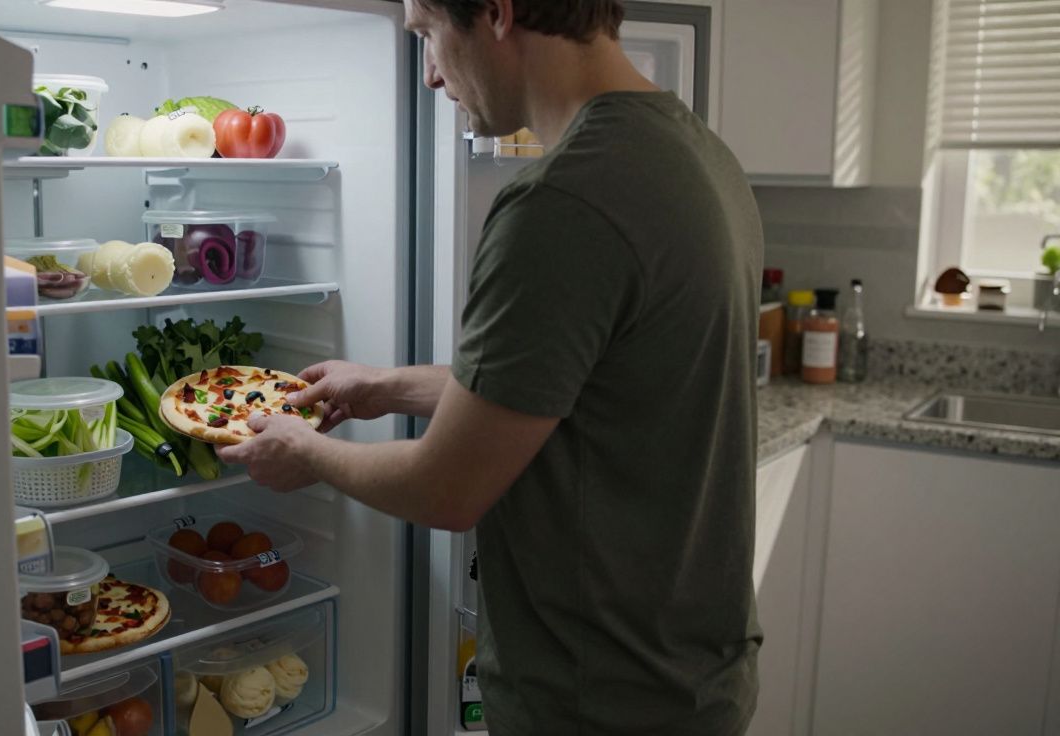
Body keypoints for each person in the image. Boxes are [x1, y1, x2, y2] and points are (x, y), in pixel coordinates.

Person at [215, 0, 765, 732]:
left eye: (429, 35)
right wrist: (382, 387)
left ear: (499, 13)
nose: (431, 75)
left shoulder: (563, 200)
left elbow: (448, 489)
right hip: (689, 674)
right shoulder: (696, 152)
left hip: (596, 698)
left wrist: (305, 451)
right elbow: (567, 387)